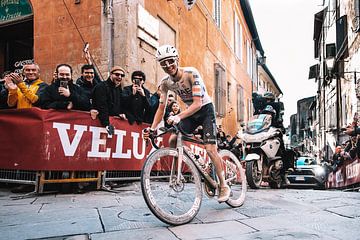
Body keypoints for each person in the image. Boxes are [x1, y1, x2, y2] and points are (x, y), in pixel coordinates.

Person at [143, 44, 231, 202]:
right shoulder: (165, 83)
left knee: (210, 149)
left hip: (204, 109)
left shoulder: (191, 73)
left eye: (170, 61)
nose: (168, 65)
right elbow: (161, 108)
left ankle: (224, 185)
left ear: (176, 59)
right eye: (163, 63)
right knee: (172, 140)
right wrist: (152, 128)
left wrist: (178, 117)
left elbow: (197, 103)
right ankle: (179, 174)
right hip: (191, 111)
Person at [91, 66, 127, 135]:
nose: (119, 77)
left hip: (109, 126)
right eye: (117, 74)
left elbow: (118, 106)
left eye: (122, 75)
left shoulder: (119, 90)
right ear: (111, 74)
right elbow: (102, 106)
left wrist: (120, 113)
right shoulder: (101, 87)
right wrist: (107, 124)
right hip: (99, 125)